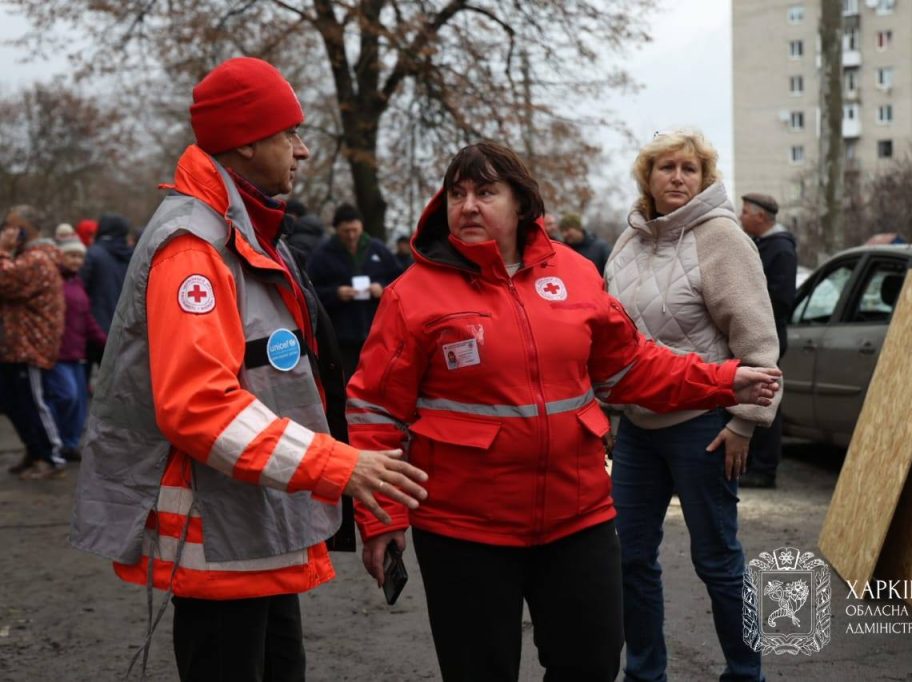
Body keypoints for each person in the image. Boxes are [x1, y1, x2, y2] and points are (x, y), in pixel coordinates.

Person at [345, 140, 780, 682]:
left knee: (592, 664)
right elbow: (374, 409)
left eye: (486, 192)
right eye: (457, 194)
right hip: (465, 530)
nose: (468, 206)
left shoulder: (574, 273)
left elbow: (633, 367)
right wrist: (382, 517)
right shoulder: (413, 295)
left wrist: (722, 380)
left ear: (521, 202)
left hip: (577, 518)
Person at [68, 56, 428, 681]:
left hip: (251, 531)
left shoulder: (242, 233)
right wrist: (340, 467)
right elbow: (199, 406)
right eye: (291, 133)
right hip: (219, 544)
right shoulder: (194, 249)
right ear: (246, 140)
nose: (303, 149)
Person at [605, 130, 781, 682]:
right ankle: (645, 673)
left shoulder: (722, 237)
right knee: (629, 559)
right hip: (637, 426)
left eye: (689, 168)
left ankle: (744, 671)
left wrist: (745, 424)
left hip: (703, 426)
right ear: (647, 178)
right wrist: (609, 412)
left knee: (718, 561)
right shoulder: (627, 241)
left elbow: (756, 338)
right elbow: (609, 336)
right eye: (666, 167)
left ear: (703, 178)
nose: (678, 177)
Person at [0, 205, 67, 480]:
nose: (7, 231)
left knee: (34, 402)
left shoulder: (37, 259)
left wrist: (3, 249)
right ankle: (34, 450)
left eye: (13, 226)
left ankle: (51, 456)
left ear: (27, 229)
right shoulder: (31, 257)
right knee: (15, 403)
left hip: (31, 345)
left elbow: (5, 278)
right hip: (18, 344)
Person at [739, 192, 798, 489]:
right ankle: (752, 463)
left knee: (766, 398)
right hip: (759, 333)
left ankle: (764, 468)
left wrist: (754, 314)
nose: (741, 216)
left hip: (769, 335)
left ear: (760, 217)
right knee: (753, 394)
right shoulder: (762, 246)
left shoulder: (780, 250)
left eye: (745, 212)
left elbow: (782, 299)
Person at [306, 203, 403, 380]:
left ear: (361, 227)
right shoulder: (322, 254)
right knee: (348, 381)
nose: (351, 236)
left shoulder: (378, 249)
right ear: (336, 230)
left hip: (376, 331)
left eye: (355, 230)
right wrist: (335, 293)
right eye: (346, 231)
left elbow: (400, 280)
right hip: (342, 336)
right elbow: (310, 291)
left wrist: (382, 289)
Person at [46, 238, 106, 462]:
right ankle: (56, 442)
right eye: (71, 255)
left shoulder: (77, 283)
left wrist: (104, 341)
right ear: (62, 256)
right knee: (66, 396)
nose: (76, 260)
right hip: (58, 353)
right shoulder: (54, 282)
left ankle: (70, 444)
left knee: (80, 404)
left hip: (77, 353)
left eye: (79, 256)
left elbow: (86, 317)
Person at [80, 212, 134, 333]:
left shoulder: (92, 254)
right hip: (124, 328)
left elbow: (81, 290)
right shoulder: (132, 256)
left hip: (96, 330)